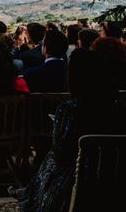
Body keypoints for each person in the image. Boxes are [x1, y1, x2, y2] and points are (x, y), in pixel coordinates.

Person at [14, 49, 126, 212]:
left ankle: (34, 199)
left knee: (51, 158)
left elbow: (61, 152)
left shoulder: (69, 109)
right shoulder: (120, 108)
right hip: (116, 173)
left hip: (79, 176)